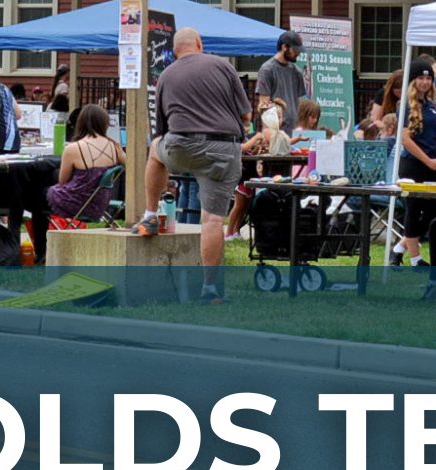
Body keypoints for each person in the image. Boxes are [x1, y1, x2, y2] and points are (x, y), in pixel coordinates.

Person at [132, 26, 254, 299]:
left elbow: (161, 129)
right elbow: (246, 115)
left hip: (182, 146)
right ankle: (209, 289)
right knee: (212, 220)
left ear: (174, 51)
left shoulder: (165, 76)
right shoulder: (223, 66)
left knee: (155, 150)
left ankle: (150, 216)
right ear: (199, 43)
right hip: (225, 148)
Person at [392, 53, 436, 265]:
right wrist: (427, 160)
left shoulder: (432, 104)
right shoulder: (406, 105)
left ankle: (399, 247)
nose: (425, 82)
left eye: (428, 78)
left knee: (434, 211)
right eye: (421, 78)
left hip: (432, 164)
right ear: (413, 80)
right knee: (414, 209)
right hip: (413, 164)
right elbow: (405, 139)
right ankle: (416, 259)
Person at [50, 103, 126, 222]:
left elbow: (62, 181)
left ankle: (38, 232)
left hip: (77, 203)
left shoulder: (73, 148)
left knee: (38, 195)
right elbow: (129, 165)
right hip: (101, 203)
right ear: (104, 123)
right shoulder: (115, 146)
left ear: (80, 123)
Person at [256, 31, 309, 129]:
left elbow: (299, 103)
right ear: (284, 47)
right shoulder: (267, 69)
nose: (298, 53)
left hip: (293, 130)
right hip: (275, 130)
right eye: (295, 49)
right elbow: (264, 105)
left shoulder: (297, 71)